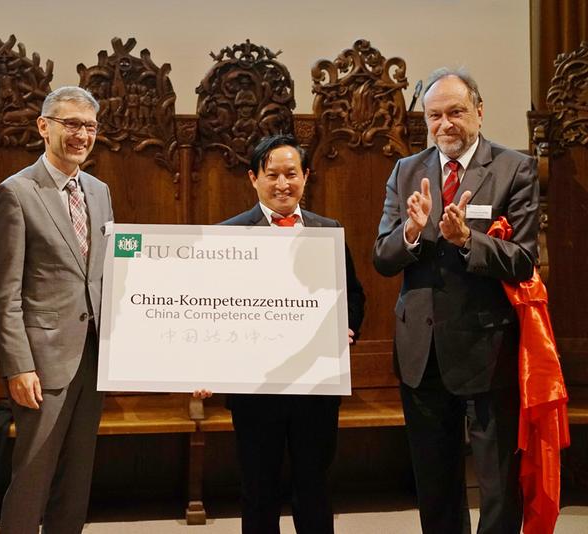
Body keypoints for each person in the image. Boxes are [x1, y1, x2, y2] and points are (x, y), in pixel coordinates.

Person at [373, 68, 539, 533]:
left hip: (488, 348)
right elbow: (383, 258)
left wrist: (468, 240)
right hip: (421, 353)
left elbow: (525, 259)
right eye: (434, 116)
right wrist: (410, 232)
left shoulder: (514, 168)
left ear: (479, 112)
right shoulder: (406, 171)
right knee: (435, 483)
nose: (444, 124)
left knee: (498, 484)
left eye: (456, 112)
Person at [196, 134, 365, 534]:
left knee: (315, 487)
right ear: (253, 178)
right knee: (258, 490)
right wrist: (204, 365)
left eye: (292, 174)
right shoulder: (229, 234)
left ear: (307, 177)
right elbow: (210, 306)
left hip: (317, 384)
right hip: (256, 388)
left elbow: (353, 294)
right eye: (272, 175)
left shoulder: (329, 230)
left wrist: (348, 325)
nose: (282, 183)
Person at [0, 86, 113, 534]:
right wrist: (18, 366)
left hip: (93, 358)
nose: (82, 134)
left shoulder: (99, 191)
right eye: (71, 124)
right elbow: (4, 293)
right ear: (44, 127)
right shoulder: (16, 192)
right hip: (41, 364)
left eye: (90, 126)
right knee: (33, 478)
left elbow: (99, 277)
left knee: (76, 480)